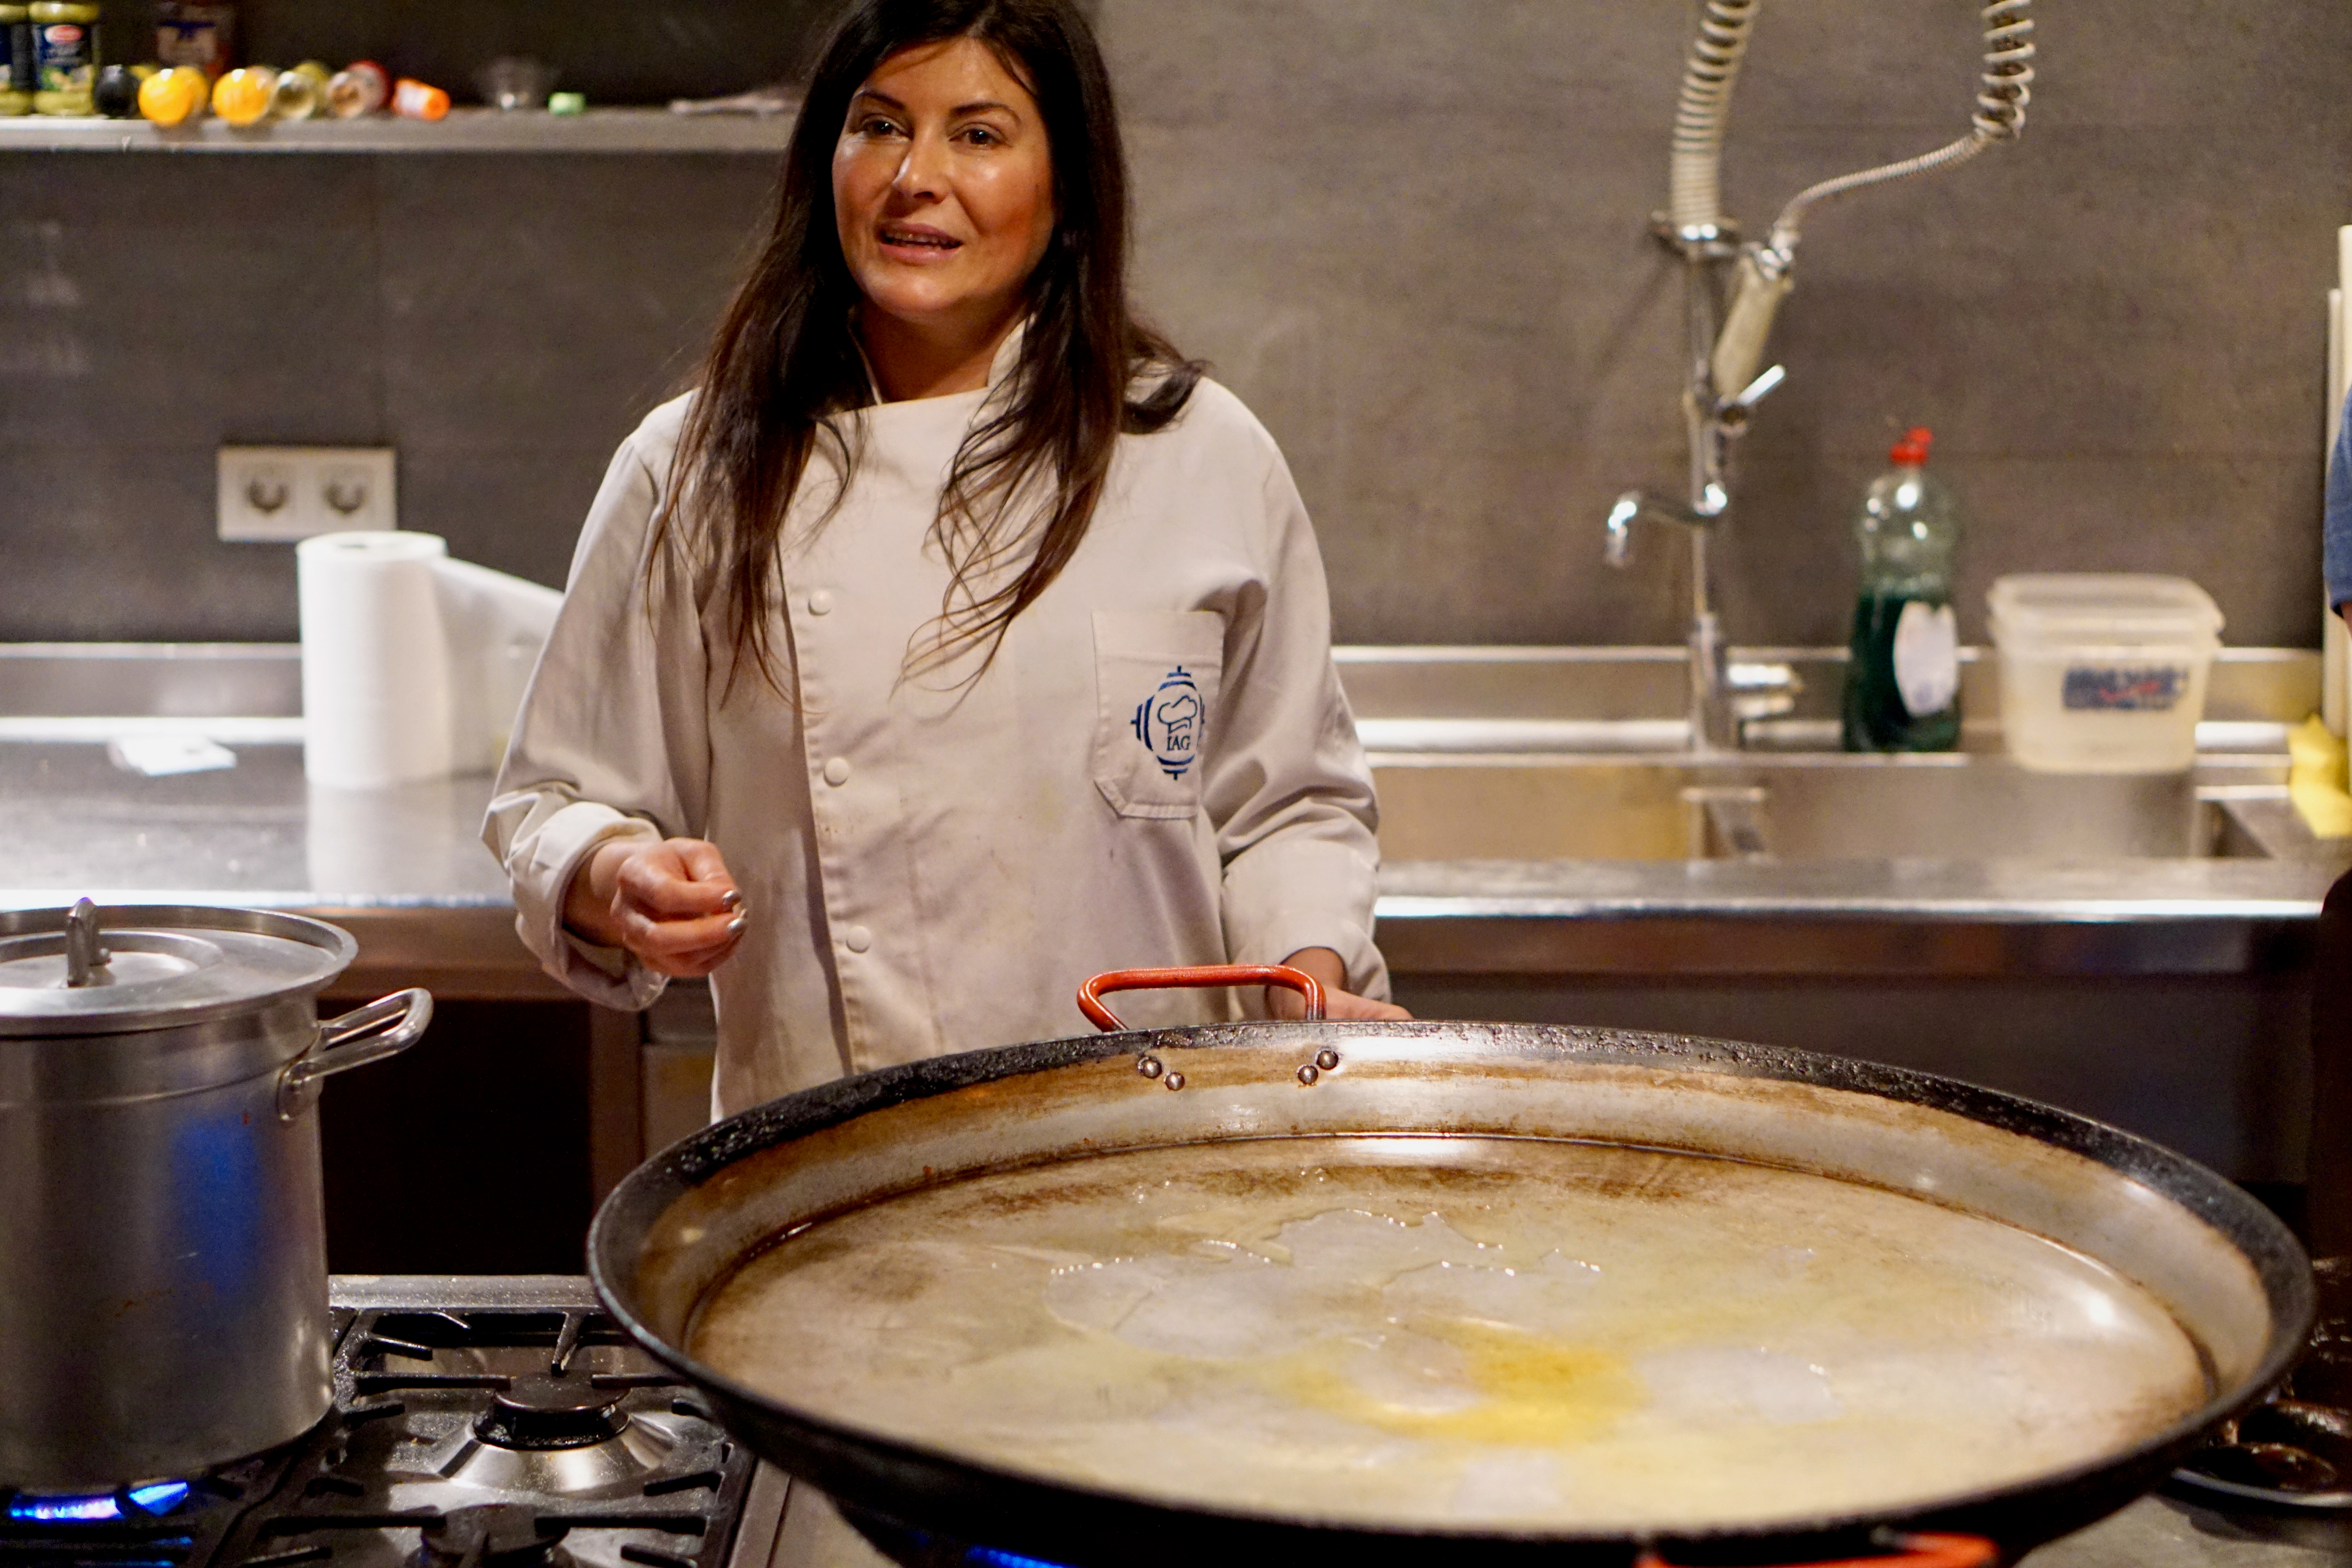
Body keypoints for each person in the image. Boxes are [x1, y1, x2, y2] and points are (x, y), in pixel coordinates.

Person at [485, 0, 1405, 1120]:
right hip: (838, 1169)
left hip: (1163, 1158)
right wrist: (613, 879)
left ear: (1067, 193)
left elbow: (1289, 804)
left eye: (978, 134)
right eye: (879, 125)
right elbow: (555, 801)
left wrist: (1304, 979)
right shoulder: (698, 468)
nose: (915, 176)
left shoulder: (1196, 454)